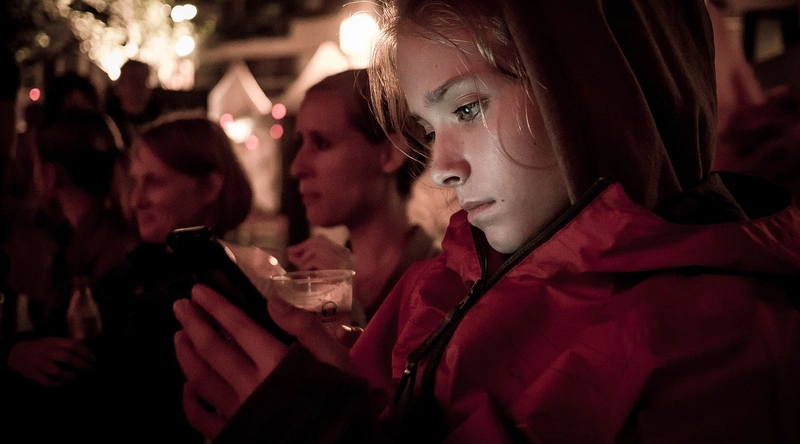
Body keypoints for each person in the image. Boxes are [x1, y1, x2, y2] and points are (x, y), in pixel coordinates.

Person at [173, 1, 800, 442]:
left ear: (593, 88)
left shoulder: (724, 342)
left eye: (468, 107)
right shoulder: (433, 287)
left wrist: (325, 432)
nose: (441, 170)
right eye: (429, 128)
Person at [91, 110, 253, 444]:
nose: (136, 201)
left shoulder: (220, 287)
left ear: (210, 187)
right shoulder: (136, 270)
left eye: (154, 182)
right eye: (135, 182)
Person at [0, 108, 138, 443]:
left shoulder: (109, 257)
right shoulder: (80, 241)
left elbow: (74, 370)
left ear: (51, 174)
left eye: (33, 164)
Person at [288, 69, 440, 324]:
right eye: (300, 143)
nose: (297, 168)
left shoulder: (444, 287)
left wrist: (346, 304)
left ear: (390, 154)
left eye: (322, 142)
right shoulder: (314, 278)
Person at [105, 59, 162, 150]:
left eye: (144, 80)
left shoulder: (161, 122)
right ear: (120, 83)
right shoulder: (106, 121)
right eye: (133, 79)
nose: (139, 85)